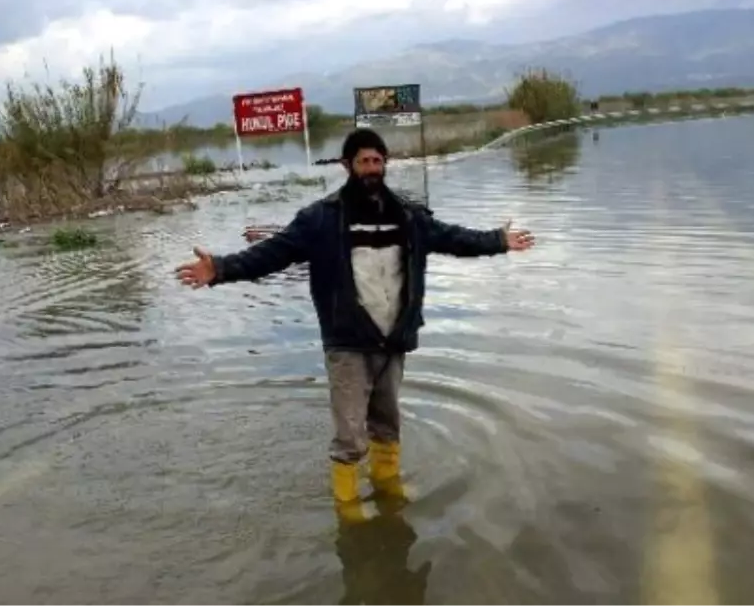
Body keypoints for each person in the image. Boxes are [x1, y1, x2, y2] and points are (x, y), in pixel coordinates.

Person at [174, 128, 536, 521]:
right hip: (347, 342)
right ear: (347, 166)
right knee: (349, 434)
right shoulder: (319, 220)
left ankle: (387, 487)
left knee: (387, 423)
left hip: (392, 338)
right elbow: (271, 255)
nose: (372, 168)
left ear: (385, 165)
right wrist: (221, 268)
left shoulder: (409, 215)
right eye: (363, 161)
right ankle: (348, 510)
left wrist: (499, 241)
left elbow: (454, 238)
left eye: (378, 161)